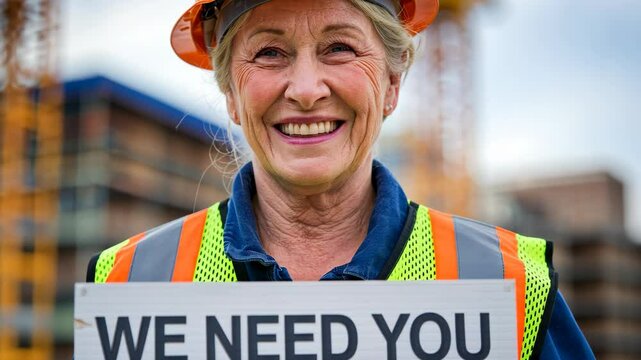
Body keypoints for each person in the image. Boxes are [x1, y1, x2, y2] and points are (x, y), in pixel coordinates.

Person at [87, 0, 594, 358]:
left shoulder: (510, 287)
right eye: (269, 53)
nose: (306, 90)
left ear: (392, 84)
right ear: (232, 97)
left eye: (339, 48)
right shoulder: (130, 282)